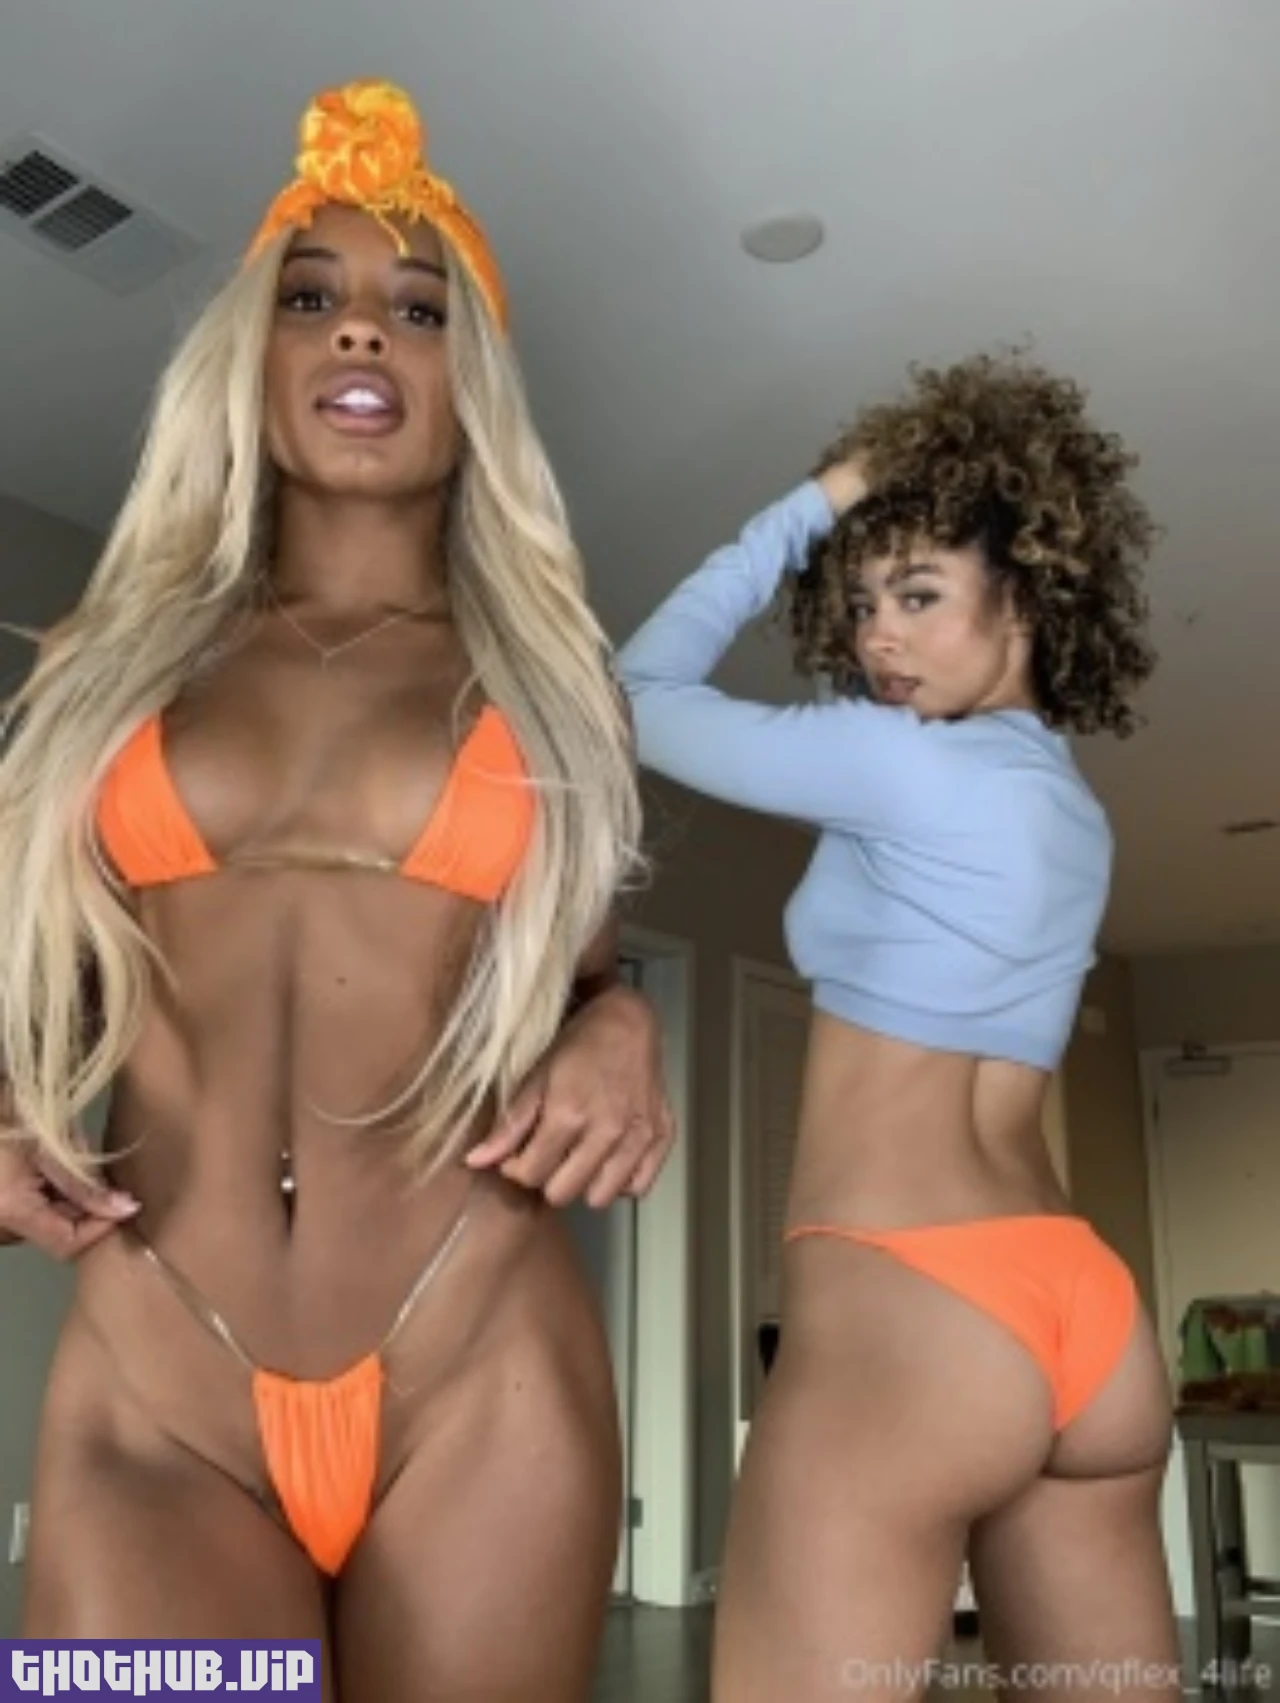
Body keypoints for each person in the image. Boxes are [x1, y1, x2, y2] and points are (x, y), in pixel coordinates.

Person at [0, 79, 673, 1700]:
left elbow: (580, 973)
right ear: (253, 356)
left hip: (482, 1370)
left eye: (416, 309)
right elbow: (35, 959)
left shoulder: (555, 688)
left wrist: (620, 1030)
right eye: (311, 298)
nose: (360, 329)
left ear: (469, 383)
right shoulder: (104, 669)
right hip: (157, 1378)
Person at [617, 352, 1179, 1702]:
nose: (878, 636)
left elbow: (635, 691)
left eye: (919, 595)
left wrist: (819, 500)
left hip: (913, 1308)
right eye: (863, 602)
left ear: (1026, 597)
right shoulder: (1076, 813)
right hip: (1084, 1317)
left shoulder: (902, 762)